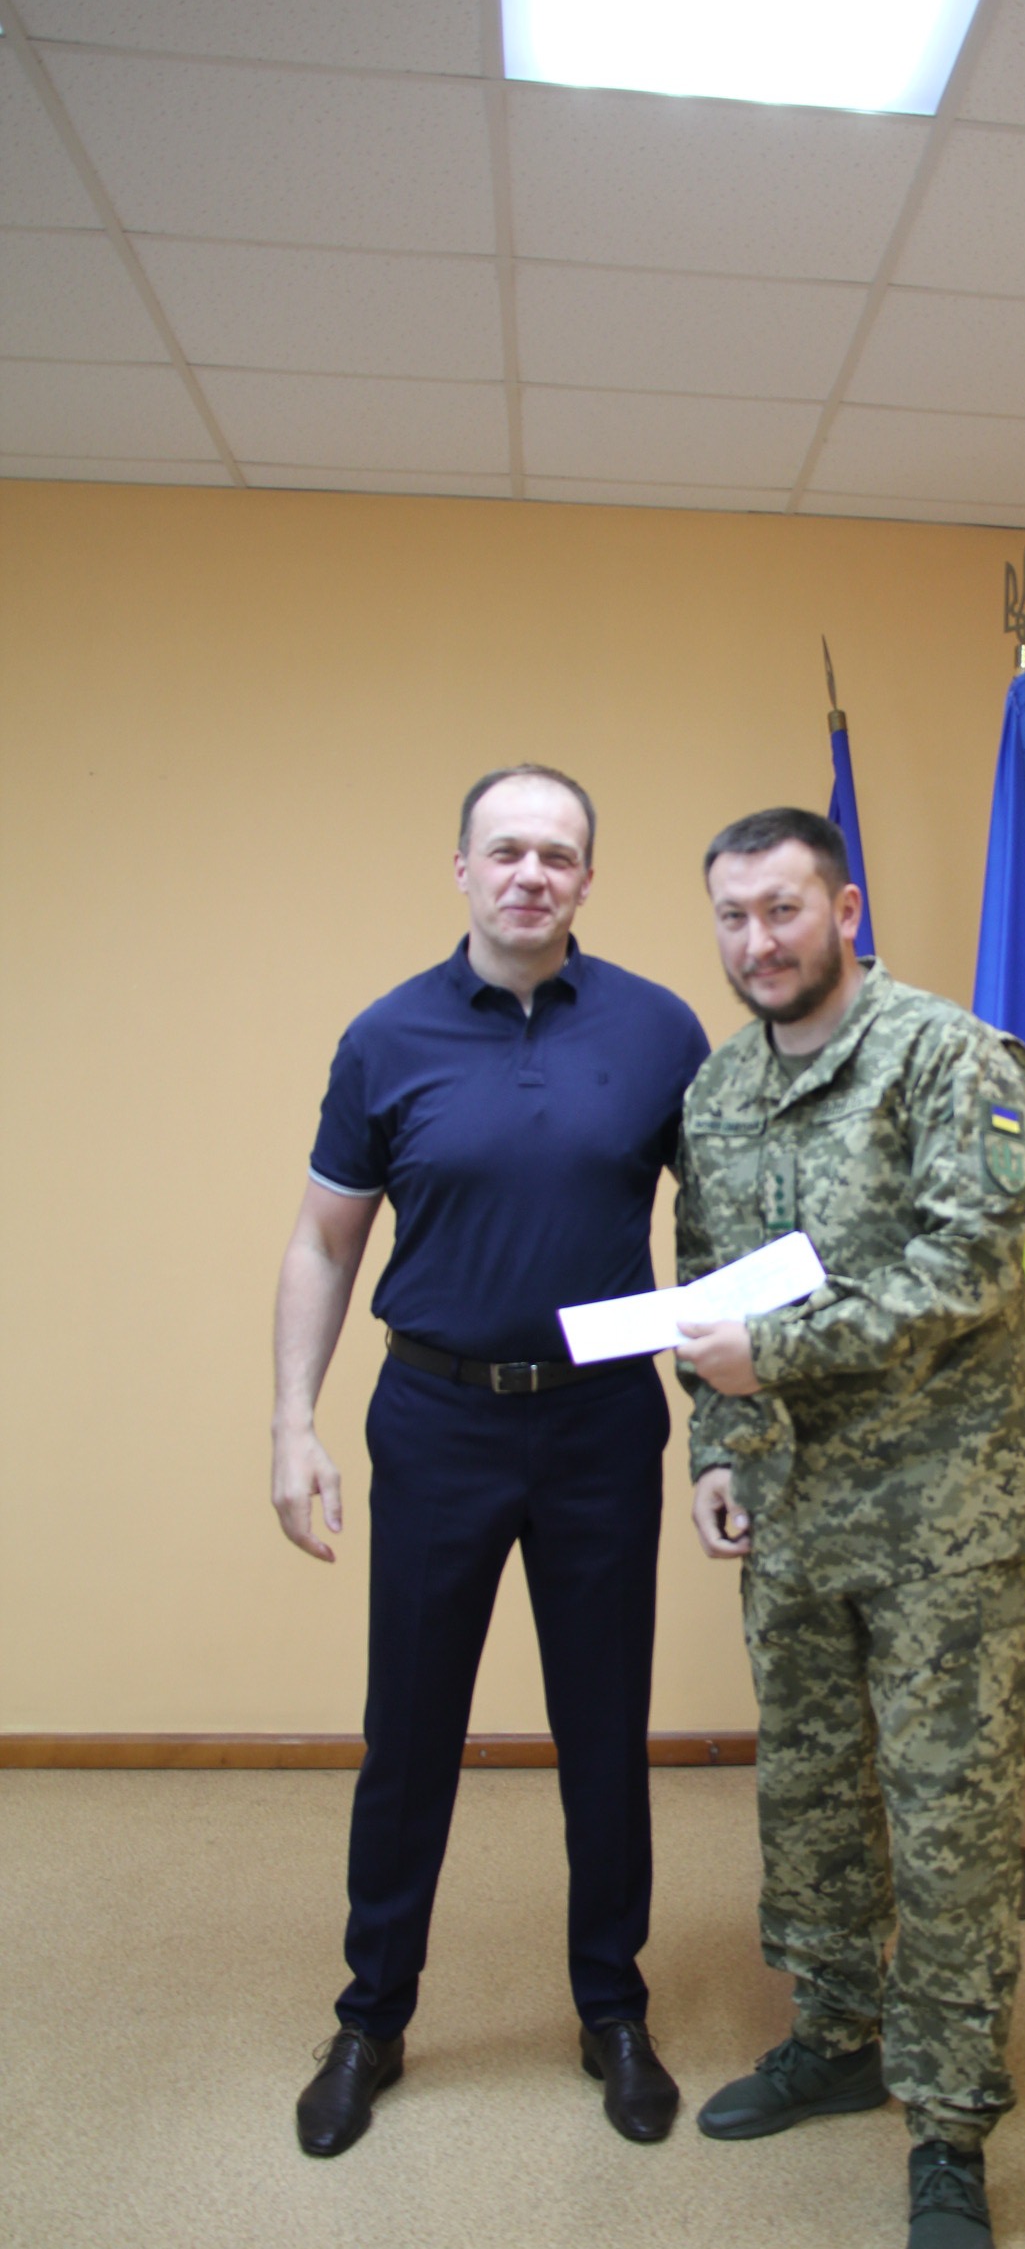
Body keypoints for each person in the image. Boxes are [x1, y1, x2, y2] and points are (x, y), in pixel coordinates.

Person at [272, 763, 708, 2158]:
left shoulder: (660, 1030)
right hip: (438, 1421)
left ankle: (613, 2009)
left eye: (557, 854)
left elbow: (721, 1236)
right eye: (506, 850)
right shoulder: (385, 1037)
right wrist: (292, 1423)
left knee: (604, 1729)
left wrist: (730, 1433)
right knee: (408, 1732)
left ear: (588, 879)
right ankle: (371, 2018)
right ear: (461, 868)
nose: (531, 873)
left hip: (600, 1425)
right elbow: (324, 1240)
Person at [674, 808, 1025, 2249]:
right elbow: (700, 1287)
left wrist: (770, 1359)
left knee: (949, 1826)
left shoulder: (949, 1055)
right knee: (814, 1795)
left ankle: (950, 2130)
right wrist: (717, 1447)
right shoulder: (717, 1093)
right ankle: (835, 2036)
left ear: (843, 908)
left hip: (942, 1520)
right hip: (794, 1517)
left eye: (783, 909)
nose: (757, 941)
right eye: (733, 917)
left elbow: (967, 1265)